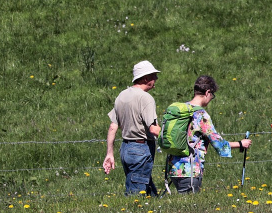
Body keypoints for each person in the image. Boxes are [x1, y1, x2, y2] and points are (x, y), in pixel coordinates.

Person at [165, 76, 251, 193]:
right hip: (190, 169)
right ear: (207, 92)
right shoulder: (200, 114)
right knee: (190, 208)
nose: (211, 99)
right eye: (212, 96)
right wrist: (241, 143)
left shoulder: (181, 111)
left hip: (173, 167)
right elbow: (218, 144)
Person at [103, 61, 162, 196]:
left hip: (126, 149)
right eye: (153, 76)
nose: (156, 79)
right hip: (141, 148)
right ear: (146, 78)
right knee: (135, 193)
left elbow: (113, 126)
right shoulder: (146, 98)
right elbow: (153, 129)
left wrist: (109, 154)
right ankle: (132, 212)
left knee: (144, 186)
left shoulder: (121, 96)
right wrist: (174, 137)